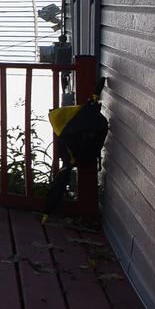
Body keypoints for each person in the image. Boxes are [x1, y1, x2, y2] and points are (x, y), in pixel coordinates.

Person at [44, 90, 108, 218]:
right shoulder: (86, 117)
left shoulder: (68, 128)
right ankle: (49, 209)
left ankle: (48, 211)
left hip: (74, 136)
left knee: (62, 178)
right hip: (79, 131)